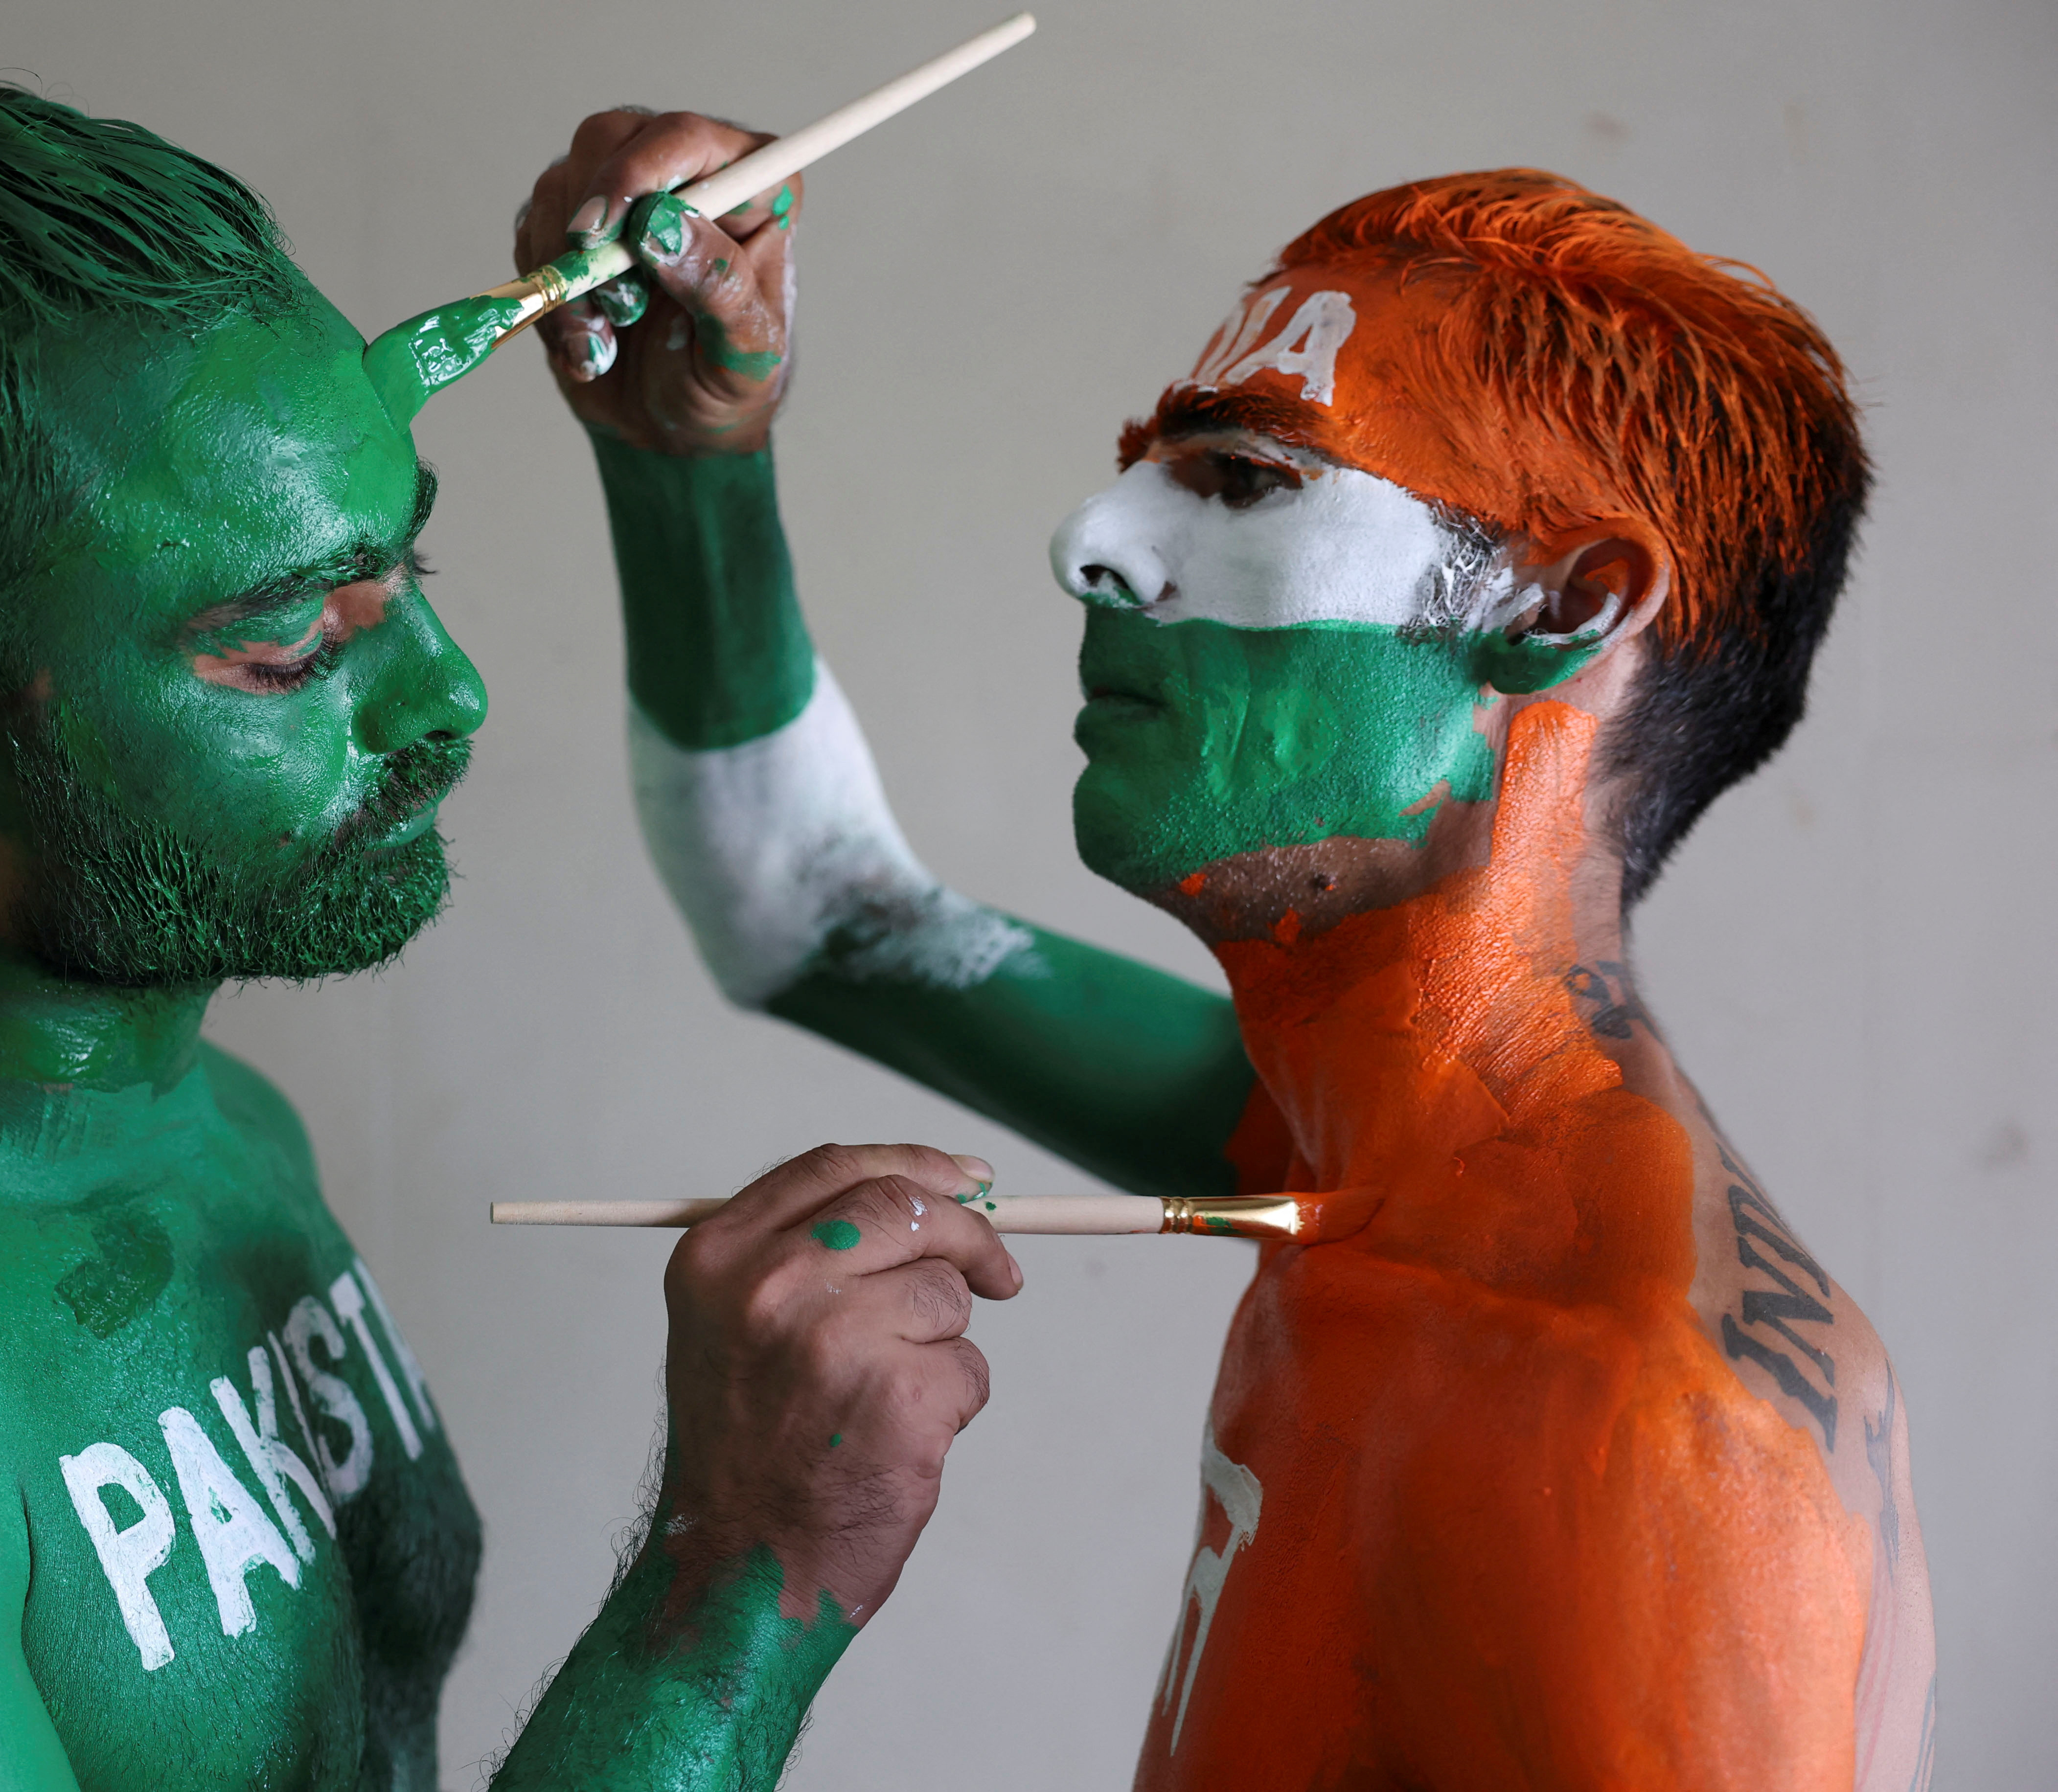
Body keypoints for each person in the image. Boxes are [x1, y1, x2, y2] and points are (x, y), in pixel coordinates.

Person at [0, 60, 1029, 1792]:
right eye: (290, 650)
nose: (453, 695)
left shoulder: (225, 1136)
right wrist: (731, 1590)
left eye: (404, 576)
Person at [520, 110, 1938, 1789]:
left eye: (1247, 478)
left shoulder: (1629, 1418)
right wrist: (689, 459)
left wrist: (733, 1589)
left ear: (1558, 610)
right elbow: (813, 907)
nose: (1091, 543)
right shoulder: (1353, 1145)